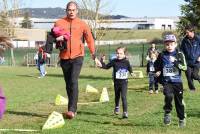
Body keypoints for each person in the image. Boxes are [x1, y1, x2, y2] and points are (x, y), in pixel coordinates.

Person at [54, 1, 96, 119]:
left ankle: (71, 110)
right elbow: (52, 37)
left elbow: (90, 39)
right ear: (66, 10)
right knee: (68, 84)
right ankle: (73, 109)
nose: (71, 12)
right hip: (64, 57)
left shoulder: (82, 24)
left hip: (78, 56)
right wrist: (49, 48)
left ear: (77, 11)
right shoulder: (59, 22)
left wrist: (93, 53)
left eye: (73, 10)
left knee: (73, 81)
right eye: (69, 10)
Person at [155, 34, 187, 127]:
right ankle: (167, 112)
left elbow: (184, 67)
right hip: (167, 82)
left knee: (179, 102)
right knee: (168, 96)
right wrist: (158, 71)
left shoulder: (179, 54)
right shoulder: (162, 55)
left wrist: (176, 62)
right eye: (167, 44)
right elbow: (158, 65)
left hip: (177, 82)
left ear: (175, 44)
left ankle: (181, 119)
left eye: (171, 44)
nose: (169, 46)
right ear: (165, 45)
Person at [96, 47, 134, 118]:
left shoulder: (126, 61)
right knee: (117, 96)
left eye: (120, 53)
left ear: (124, 54)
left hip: (124, 82)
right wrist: (101, 64)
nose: (119, 55)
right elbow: (106, 67)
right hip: (116, 82)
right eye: (117, 53)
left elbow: (129, 67)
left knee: (123, 96)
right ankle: (117, 106)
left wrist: (131, 72)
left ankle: (125, 112)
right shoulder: (114, 61)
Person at [180, 25, 200, 92]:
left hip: (196, 62)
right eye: (186, 32)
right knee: (188, 76)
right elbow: (181, 50)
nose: (186, 34)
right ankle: (192, 89)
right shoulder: (184, 40)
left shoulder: (198, 39)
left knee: (195, 75)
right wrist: (182, 59)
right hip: (187, 62)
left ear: (192, 32)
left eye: (187, 32)